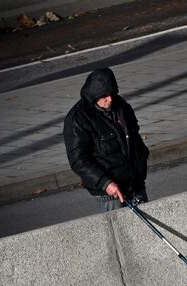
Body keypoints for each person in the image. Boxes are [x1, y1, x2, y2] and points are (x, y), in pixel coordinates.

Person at [63, 68, 150, 212]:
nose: (109, 99)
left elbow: (134, 137)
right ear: (93, 95)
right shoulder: (77, 119)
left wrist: (141, 161)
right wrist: (105, 183)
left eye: (112, 94)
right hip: (109, 192)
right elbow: (78, 160)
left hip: (135, 183)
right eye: (104, 96)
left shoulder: (122, 106)